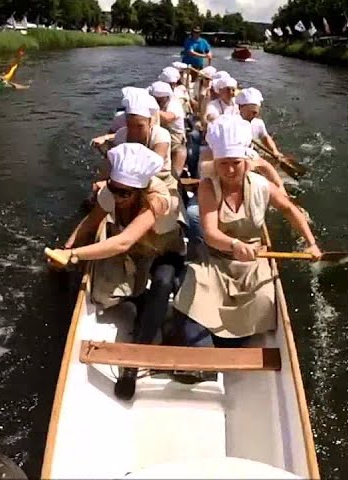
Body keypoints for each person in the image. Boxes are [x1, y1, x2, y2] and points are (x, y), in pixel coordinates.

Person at [48, 143, 186, 401]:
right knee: (102, 296)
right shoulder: (111, 193)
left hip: (163, 251)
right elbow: (91, 222)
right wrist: (66, 248)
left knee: (163, 283)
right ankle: (139, 301)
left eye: (125, 193)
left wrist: (75, 255)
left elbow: (123, 241)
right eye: (114, 188)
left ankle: (134, 362)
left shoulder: (158, 199)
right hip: (137, 251)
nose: (118, 197)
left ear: (140, 190)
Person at [173, 116, 322, 348]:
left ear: (246, 161)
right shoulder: (208, 186)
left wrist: (311, 243)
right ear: (216, 162)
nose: (230, 170)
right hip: (216, 258)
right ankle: (210, 345)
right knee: (193, 294)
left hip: (253, 260)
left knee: (264, 300)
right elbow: (210, 233)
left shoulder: (262, 185)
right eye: (223, 163)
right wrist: (234, 245)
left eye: (236, 162)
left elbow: (290, 209)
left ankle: (229, 342)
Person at [150, 80, 187, 181]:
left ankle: (174, 178)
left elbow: (168, 118)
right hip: (155, 134)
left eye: (160, 100)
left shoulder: (174, 104)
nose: (158, 102)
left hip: (174, 137)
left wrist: (154, 110)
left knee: (179, 150)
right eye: (156, 100)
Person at [235, 87, 283, 159]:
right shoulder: (230, 124)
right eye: (249, 112)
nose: (251, 115)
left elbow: (265, 137)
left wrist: (274, 151)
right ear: (240, 107)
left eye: (255, 113)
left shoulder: (258, 123)